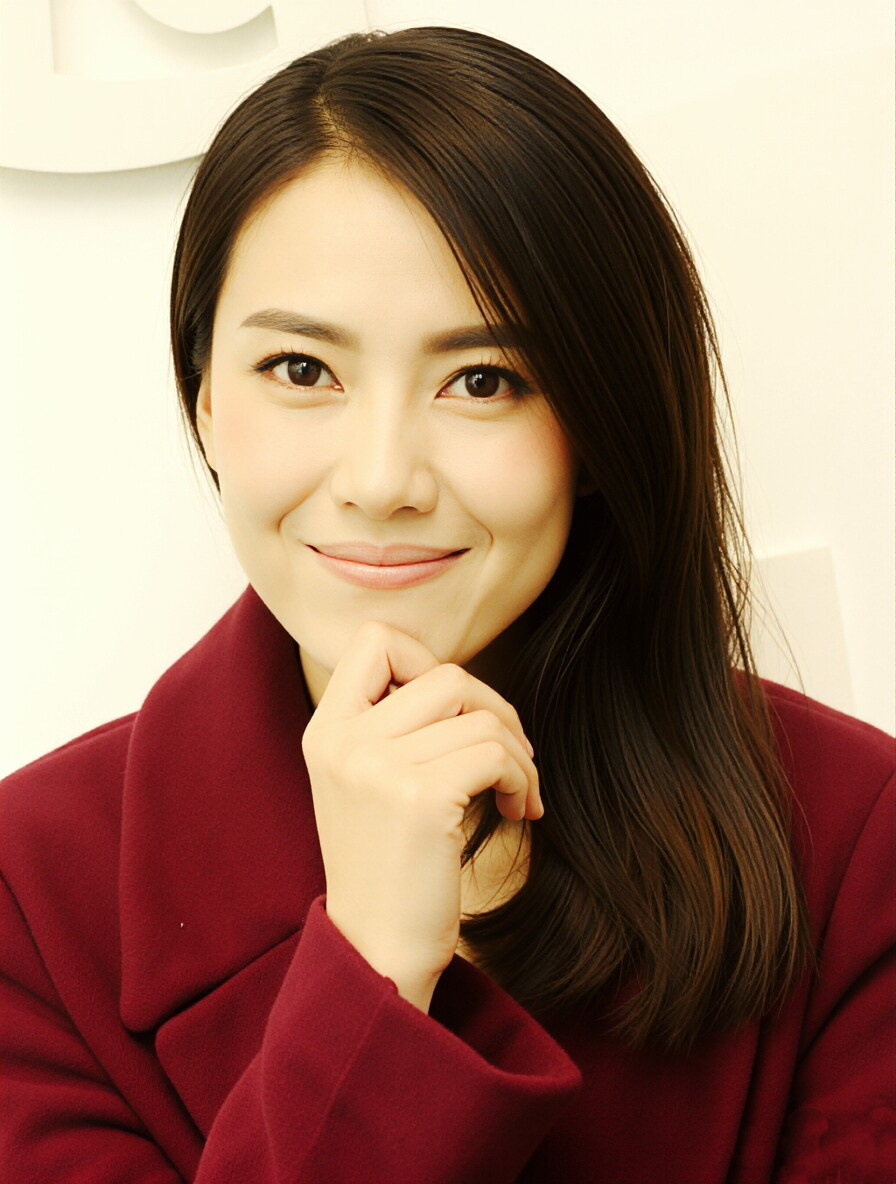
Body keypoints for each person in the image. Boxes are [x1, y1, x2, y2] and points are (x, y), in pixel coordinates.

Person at [1, 24, 893, 1184]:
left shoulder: (852, 839)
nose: (381, 479)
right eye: (300, 370)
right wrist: (372, 968)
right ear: (205, 398)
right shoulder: (31, 895)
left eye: (482, 379)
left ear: (596, 426)